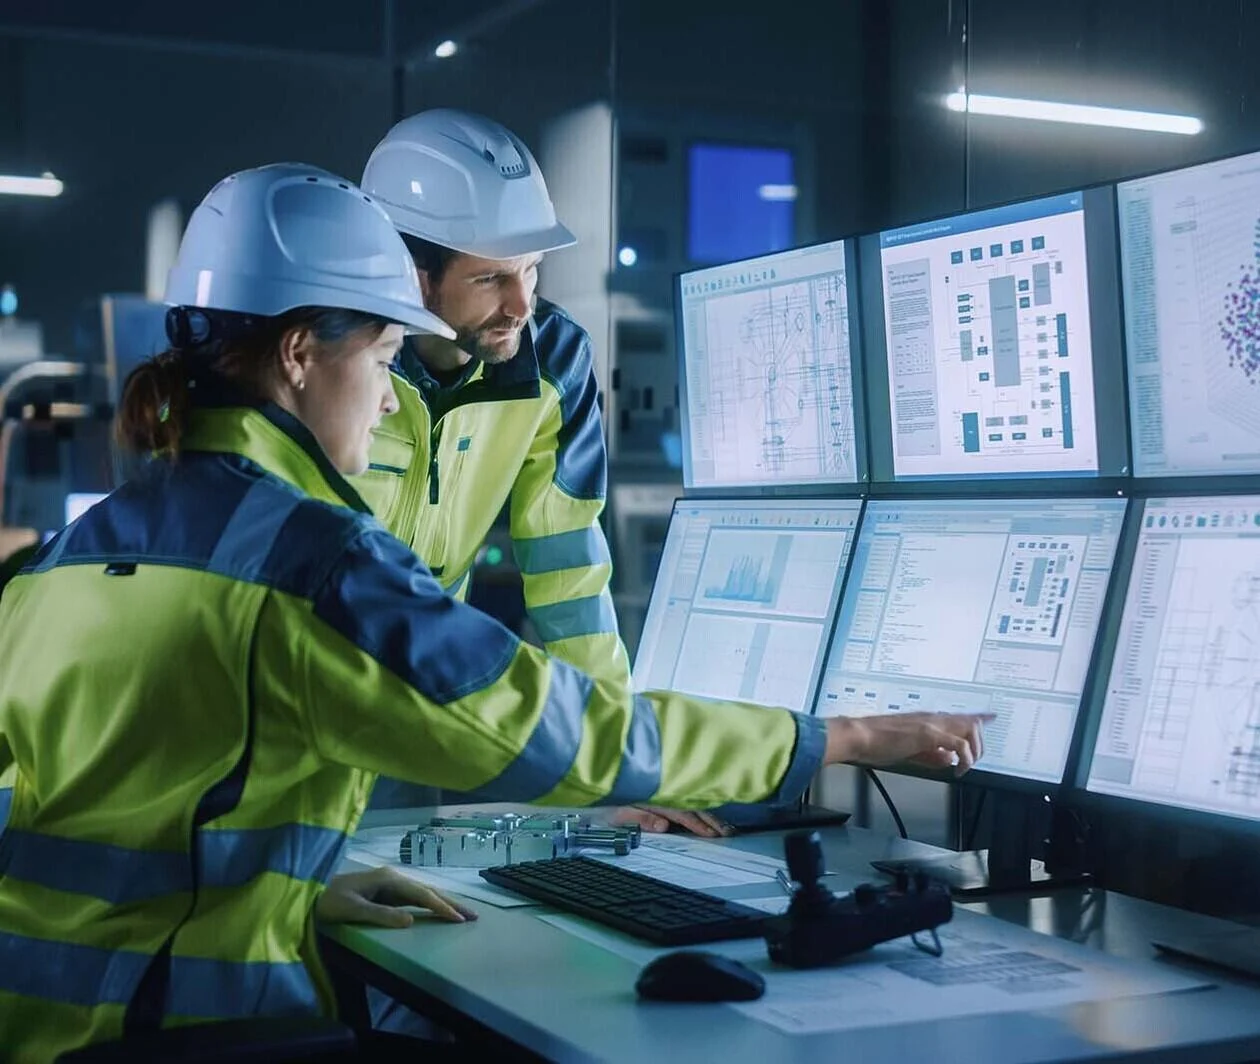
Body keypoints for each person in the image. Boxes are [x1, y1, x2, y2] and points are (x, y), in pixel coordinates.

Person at [0, 161, 989, 1061]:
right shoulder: (309, 566)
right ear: (301, 353)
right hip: (184, 1028)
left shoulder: (71, 556)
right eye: (385, 357)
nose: (389, 400)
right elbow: (562, 731)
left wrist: (293, 887)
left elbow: (83, 810)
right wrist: (842, 734)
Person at [354, 110, 747, 835]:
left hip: (412, 712)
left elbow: (569, 574)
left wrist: (621, 763)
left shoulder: (554, 360)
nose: (522, 304)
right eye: (493, 278)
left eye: (532, 269)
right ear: (412, 274)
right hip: (301, 697)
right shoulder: (338, 363)